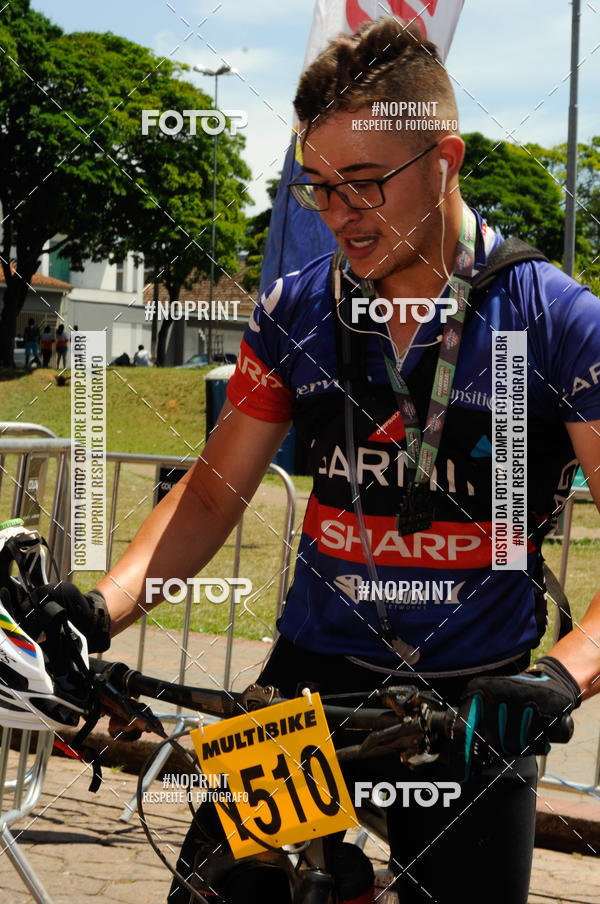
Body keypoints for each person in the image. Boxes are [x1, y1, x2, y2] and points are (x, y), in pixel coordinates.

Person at [35, 19, 600, 904]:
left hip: (474, 699)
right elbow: (215, 494)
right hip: (312, 680)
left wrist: (560, 675)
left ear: (444, 158)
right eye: (318, 189)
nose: (339, 215)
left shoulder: (561, 321)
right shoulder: (298, 308)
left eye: (365, 185)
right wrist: (100, 610)